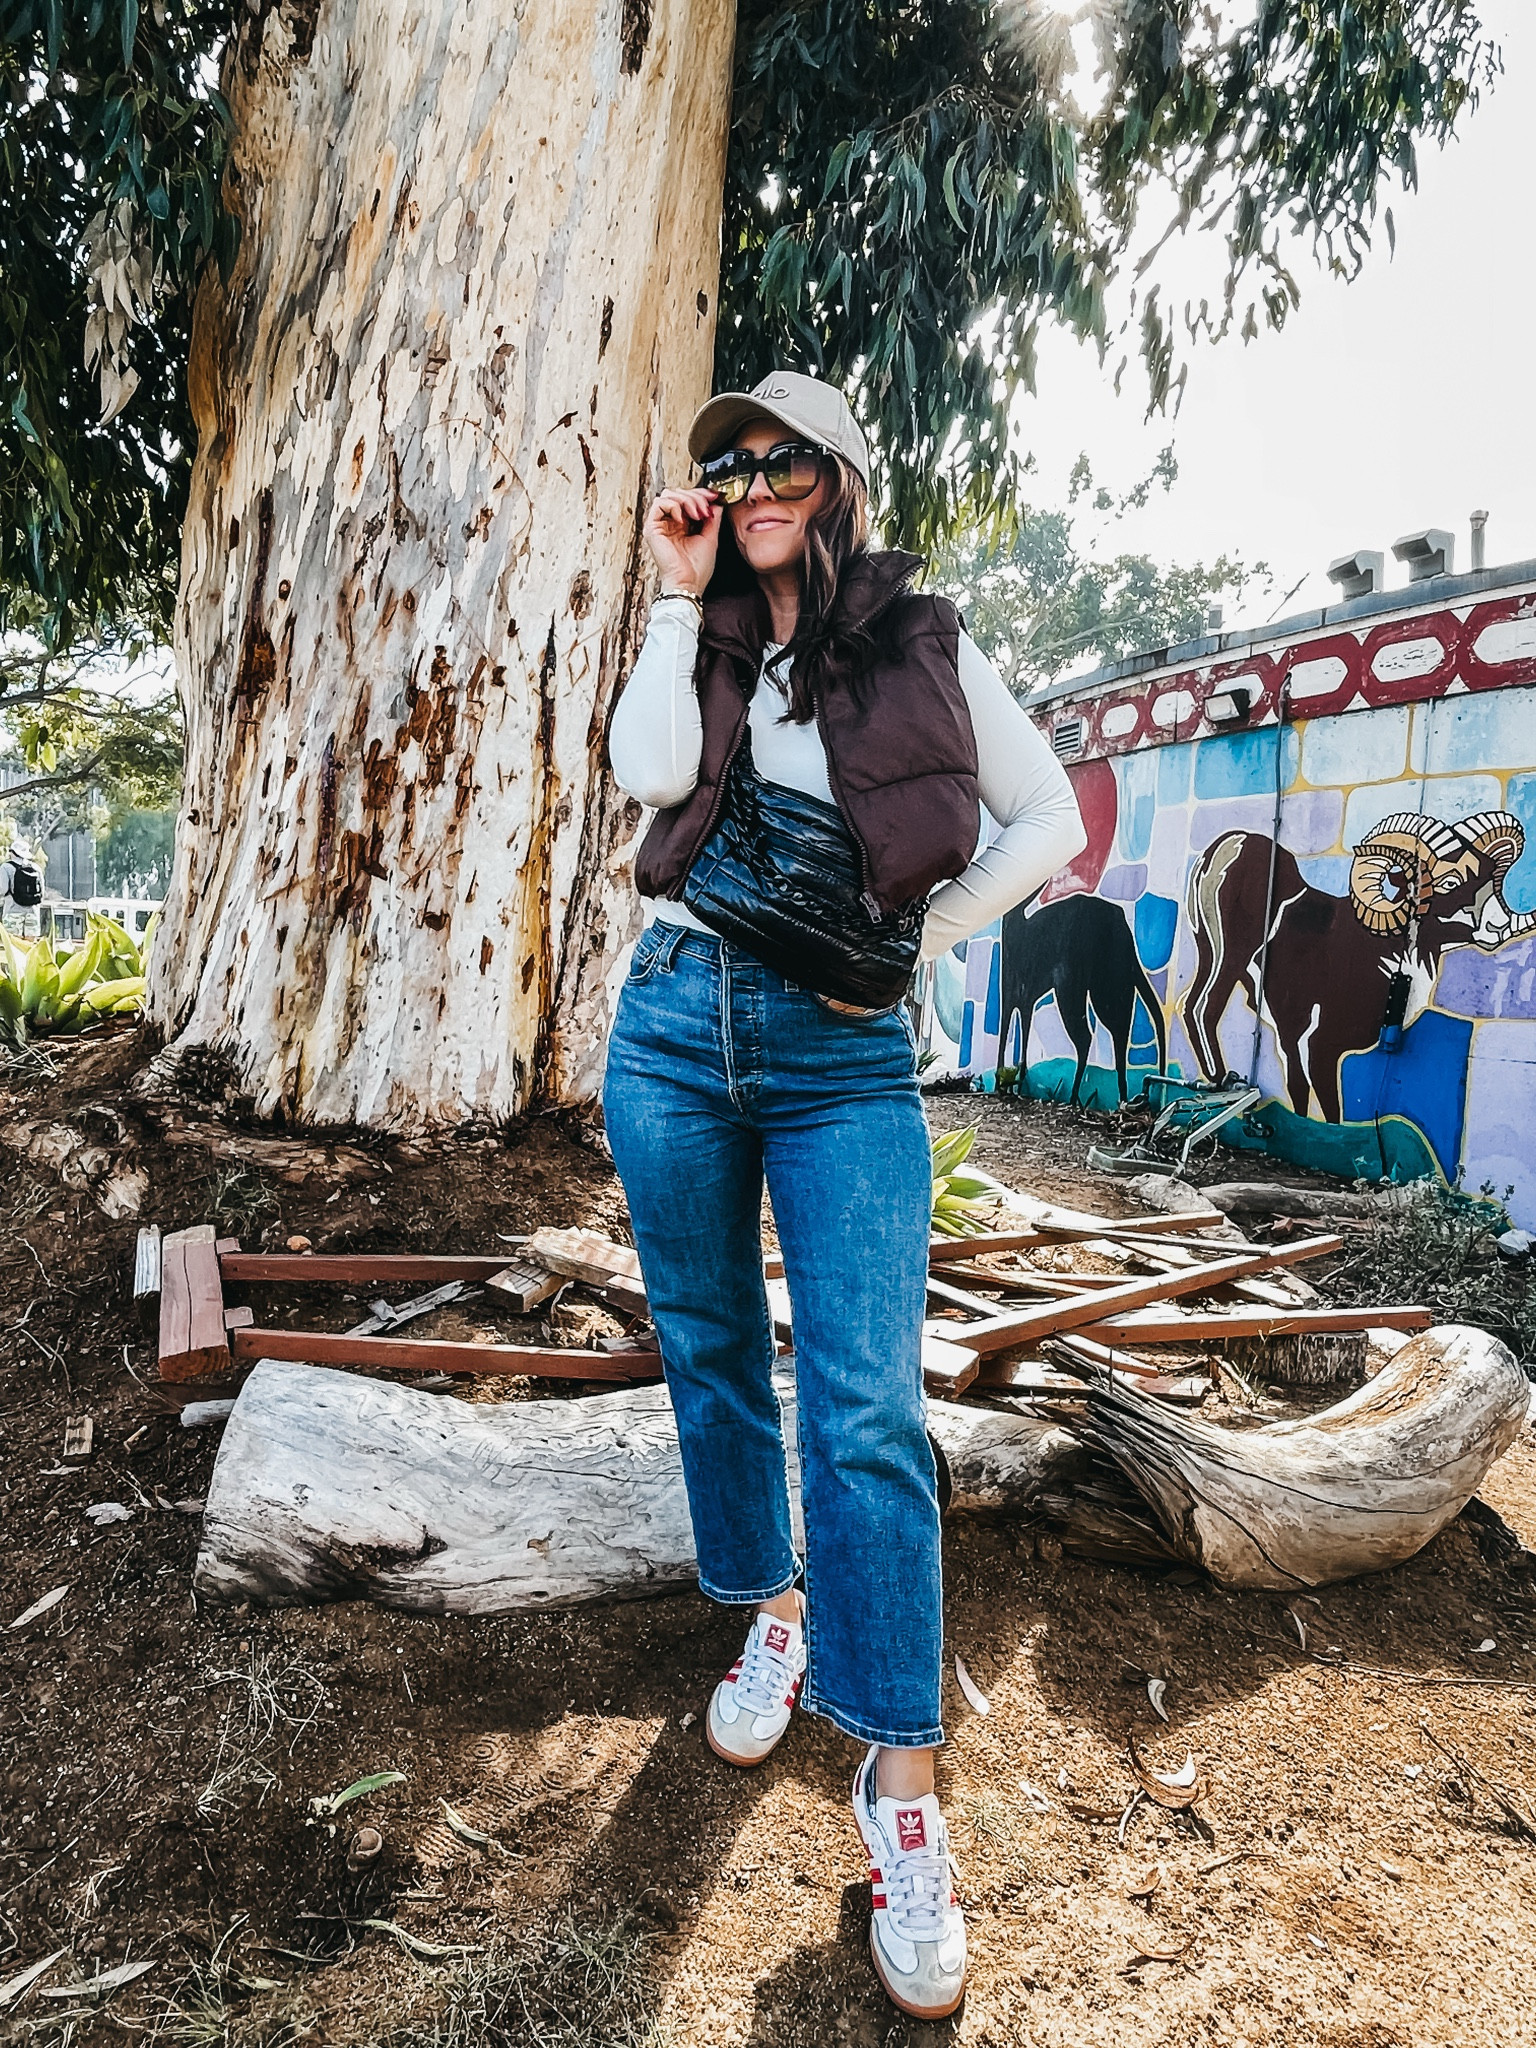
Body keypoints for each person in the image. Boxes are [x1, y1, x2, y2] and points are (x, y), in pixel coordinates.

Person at [604, 370, 1085, 2019]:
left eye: (780, 458)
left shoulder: (922, 644)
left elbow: (1048, 817)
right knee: (710, 1345)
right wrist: (677, 603)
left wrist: (909, 945)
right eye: (727, 463)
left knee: (866, 1409)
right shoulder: (708, 632)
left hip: (841, 1057)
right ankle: (774, 1611)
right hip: (675, 1021)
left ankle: (902, 1790)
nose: (749, 483)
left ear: (842, 475)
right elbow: (647, 777)